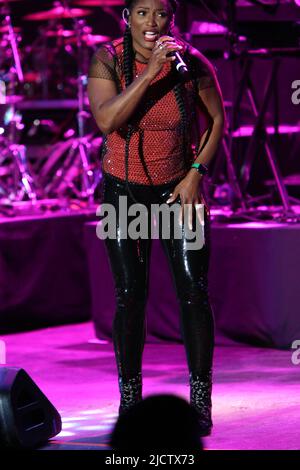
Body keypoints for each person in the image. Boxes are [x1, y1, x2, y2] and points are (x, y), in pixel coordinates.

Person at [88, 0, 225, 437]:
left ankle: (200, 401)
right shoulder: (107, 59)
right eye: (143, 13)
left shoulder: (188, 60)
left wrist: (196, 175)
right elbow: (107, 119)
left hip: (177, 191)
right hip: (124, 193)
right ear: (127, 17)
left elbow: (216, 118)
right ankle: (131, 401)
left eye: (162, 14)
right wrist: (148, 75)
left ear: (172, 18)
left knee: (194, 292)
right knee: (130, 296)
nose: (153, 23)